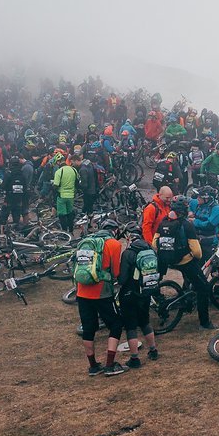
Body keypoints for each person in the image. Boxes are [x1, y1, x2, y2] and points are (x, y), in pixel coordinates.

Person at [155, 196, 218, 330]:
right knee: (203, 288)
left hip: (169, 261)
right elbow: (197, 252)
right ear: (184, 210)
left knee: (190, 280)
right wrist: (191, 257)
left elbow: (155, 244)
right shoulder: (186, 225)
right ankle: (205, 323)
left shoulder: (163, 222)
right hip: (185, 261)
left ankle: (186, 298)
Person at [74, 226, 125, 376]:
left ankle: (93, 366)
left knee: (89, 328)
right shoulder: (114, 244)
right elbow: (115, 272)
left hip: (82, 291)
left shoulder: (84, 242)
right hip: (102, 293)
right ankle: (110, 364)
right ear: (113, 231)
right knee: (116, 324)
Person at [116, 221, 159, 367]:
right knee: (145, 322)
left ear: (129, 237)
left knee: (131, 326)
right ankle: (153, 350)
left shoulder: (128, 253)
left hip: (130, 293)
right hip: (145, 291)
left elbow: (122, 278)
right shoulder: (150, 248)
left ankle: (134, 358)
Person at [191, 186, 219, 263]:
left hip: (210, 243)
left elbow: (209, 225)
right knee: (197, 267)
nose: (197, 198)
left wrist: (195, 221)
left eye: (200, 197)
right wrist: (189, 211)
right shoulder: (199, 204)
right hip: (198, 242)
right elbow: (188, 201)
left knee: (214, 268)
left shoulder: (216, 209)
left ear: (207, 199)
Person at [51, 154, 78, 233]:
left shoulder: (59, 172)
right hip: (71, 196)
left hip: (62, 196)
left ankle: (64, 232)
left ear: (59, 162)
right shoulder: (73, 170)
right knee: (70, 214)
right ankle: (71, 231)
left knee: (62, 215)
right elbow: (77, 182)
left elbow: (56, 185)